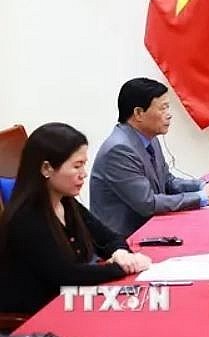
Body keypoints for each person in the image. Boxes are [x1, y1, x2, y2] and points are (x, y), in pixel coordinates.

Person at [0, 123, 151, 316]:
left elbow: (108, 237)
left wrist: (120, 252)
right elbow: (66, 276)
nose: (84, 174)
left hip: (73, 300)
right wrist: (121, 268)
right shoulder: (27, 217)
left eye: (84, 164)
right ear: (47, 168)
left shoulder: (67, 203)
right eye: (77, 166)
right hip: (38, 316)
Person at [90, 78, 209, 237]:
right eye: (163, 108)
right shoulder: (119, 150)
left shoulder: (149, 138)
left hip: (151, 229)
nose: (169, 115)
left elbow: (167, 182)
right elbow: (148, 204)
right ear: (139, 113)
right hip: (125, 241)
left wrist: (202, 186)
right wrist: (202, 198)